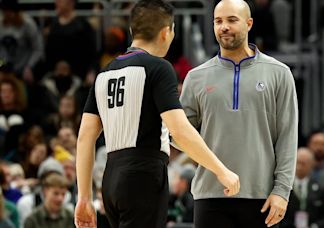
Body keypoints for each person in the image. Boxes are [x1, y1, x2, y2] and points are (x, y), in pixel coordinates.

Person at [74, 1, 240, 228]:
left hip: (111, 180)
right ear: (166, 32)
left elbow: (84, 137)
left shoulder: (105, 73)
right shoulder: (158, 68)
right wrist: (221, 171)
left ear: (133, 31)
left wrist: (84, 196)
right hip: (143, 175)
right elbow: (179, 131)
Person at [179, 0, 298, 227]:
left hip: (262, 197)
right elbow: (181, 135)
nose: (224, 27)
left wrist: (282, 191)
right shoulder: (196, 77)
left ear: (249, 23)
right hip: (209, 196)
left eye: (232, 20)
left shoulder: (280, 73)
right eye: (218, 21)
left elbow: (287, 136)